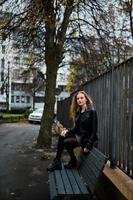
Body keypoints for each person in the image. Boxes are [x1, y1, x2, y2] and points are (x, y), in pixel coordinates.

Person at [47, 90, 98, 171]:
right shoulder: (79, 112)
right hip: (79, 136)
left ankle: (71, 161)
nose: (79, 100)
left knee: (66, 142)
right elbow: (76, 128)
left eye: (81, 98)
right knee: (62, 135)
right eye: (78, 99)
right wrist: (66, 131)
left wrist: (88, 145)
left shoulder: (92, 111)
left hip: (86, 139)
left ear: (86, 99)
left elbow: (94, 131)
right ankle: (58, 161)